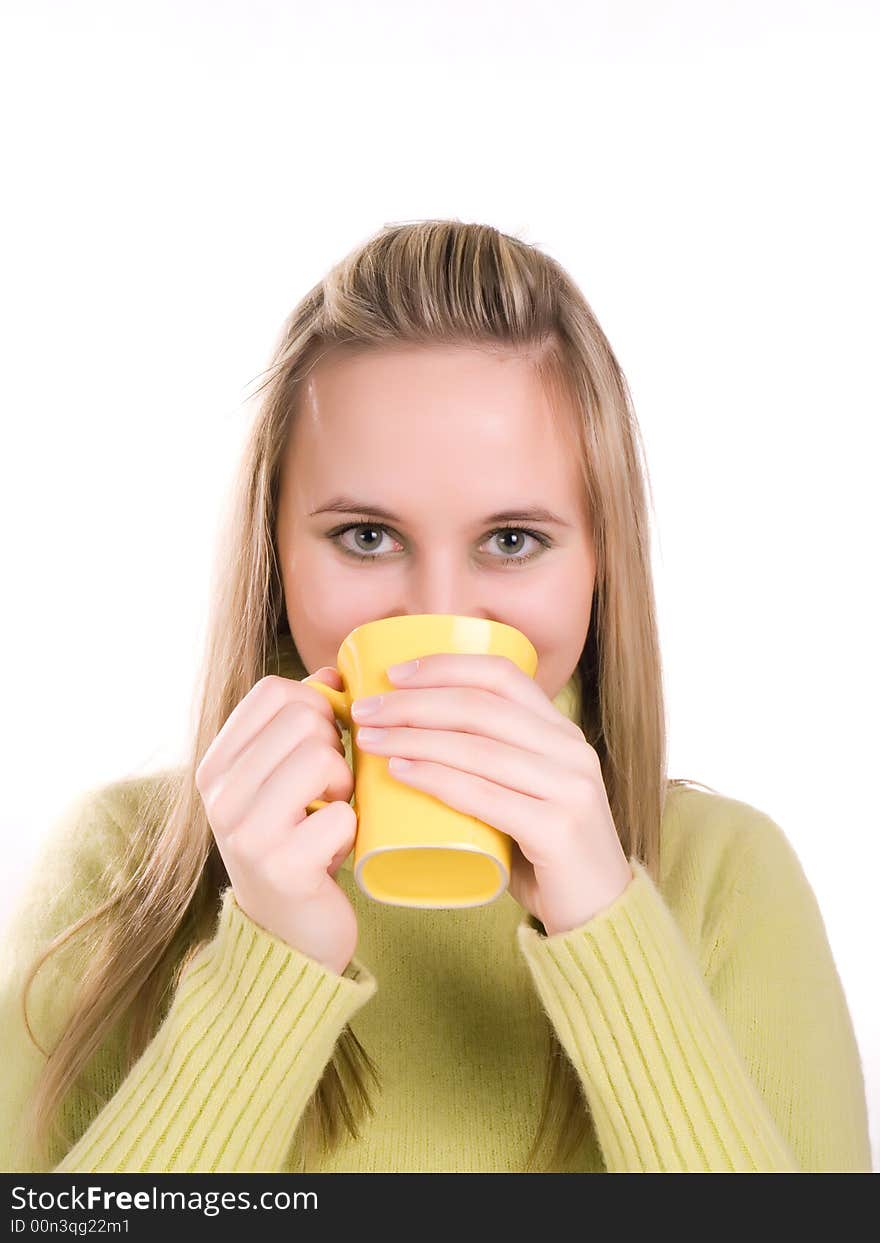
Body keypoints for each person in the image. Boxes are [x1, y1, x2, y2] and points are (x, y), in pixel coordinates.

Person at [0, 220, 871, 1174]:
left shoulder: (724, 871)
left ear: (599, 565)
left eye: (511, 541)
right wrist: (264, 966)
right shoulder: (118, 867)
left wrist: (610, 930)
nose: (440, 617)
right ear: (274, 556)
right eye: (367, 536)